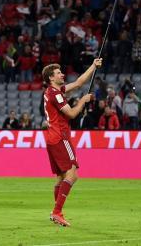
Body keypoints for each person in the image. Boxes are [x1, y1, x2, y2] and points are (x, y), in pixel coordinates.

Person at [42, 58, 102, 227]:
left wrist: (93, 66)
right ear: (51, 78)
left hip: (52, 138)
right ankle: (57, 212)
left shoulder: (52, 91)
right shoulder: (56, 95)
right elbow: (72, 114)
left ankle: (57, 212)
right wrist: (83, 100)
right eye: (58, 73)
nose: (62, 74)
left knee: (61, 177)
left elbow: (78, 83)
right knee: (72, 174)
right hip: (60, 137)